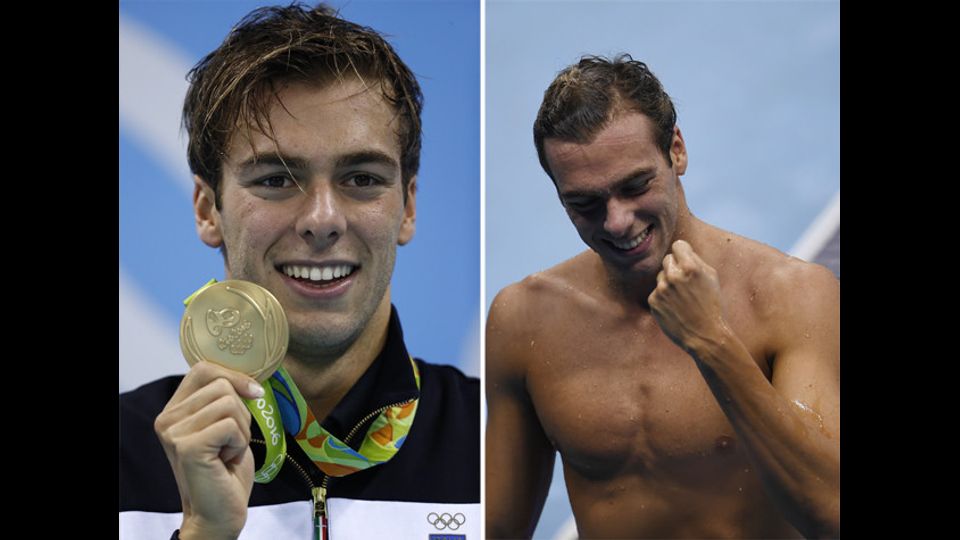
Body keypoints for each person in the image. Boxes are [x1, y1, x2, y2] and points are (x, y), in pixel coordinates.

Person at [119, 4, 479, 539]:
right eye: (275, 179)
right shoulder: (125, 451)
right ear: (206, 208)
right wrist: (202, 532)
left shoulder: (488, 433)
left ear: (407, 207)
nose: (322, 220)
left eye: (360, 178)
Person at [485, 55, 839, 539]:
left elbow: (829, 511)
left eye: (635, 186)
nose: (617, 222)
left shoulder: (793, 297)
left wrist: (712, 342)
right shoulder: (523, 321)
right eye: (584, 203)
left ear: (676, 151)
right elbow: (497, 530)